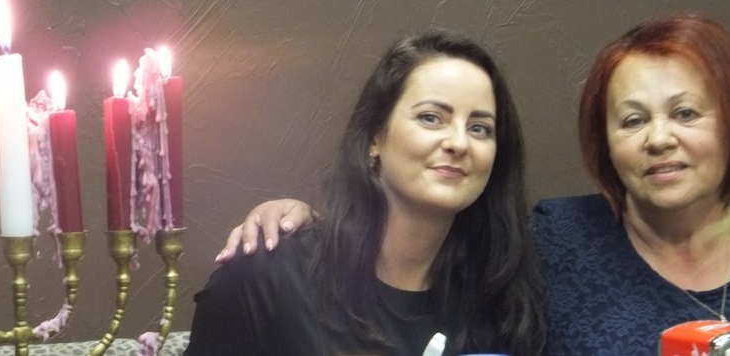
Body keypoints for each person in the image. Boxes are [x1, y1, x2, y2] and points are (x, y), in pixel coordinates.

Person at [218, 12, 730, 354]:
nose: (658, 139)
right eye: (631, 121)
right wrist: (294, 221)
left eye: (686, 113)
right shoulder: (558, 240)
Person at [185, 29, 548, 356]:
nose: (459, 142)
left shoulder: (503, 302)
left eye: (480, 128)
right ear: (375, 136)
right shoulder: (270, 275)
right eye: (430, 118)